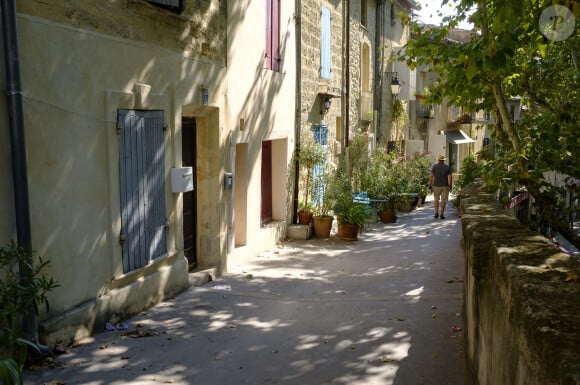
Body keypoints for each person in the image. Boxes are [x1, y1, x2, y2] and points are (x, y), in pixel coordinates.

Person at [428, 155, 452, 219]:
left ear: (438, 160)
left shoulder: (435, 166)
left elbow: (431, 176)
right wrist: (450, 186)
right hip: (445, 186)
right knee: (443, 201)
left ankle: (436, 213)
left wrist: (430, 185)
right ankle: (442, 214)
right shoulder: (447, 167)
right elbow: (450, 177)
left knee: (436, 200)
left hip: (436, 186)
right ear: (444, 160)